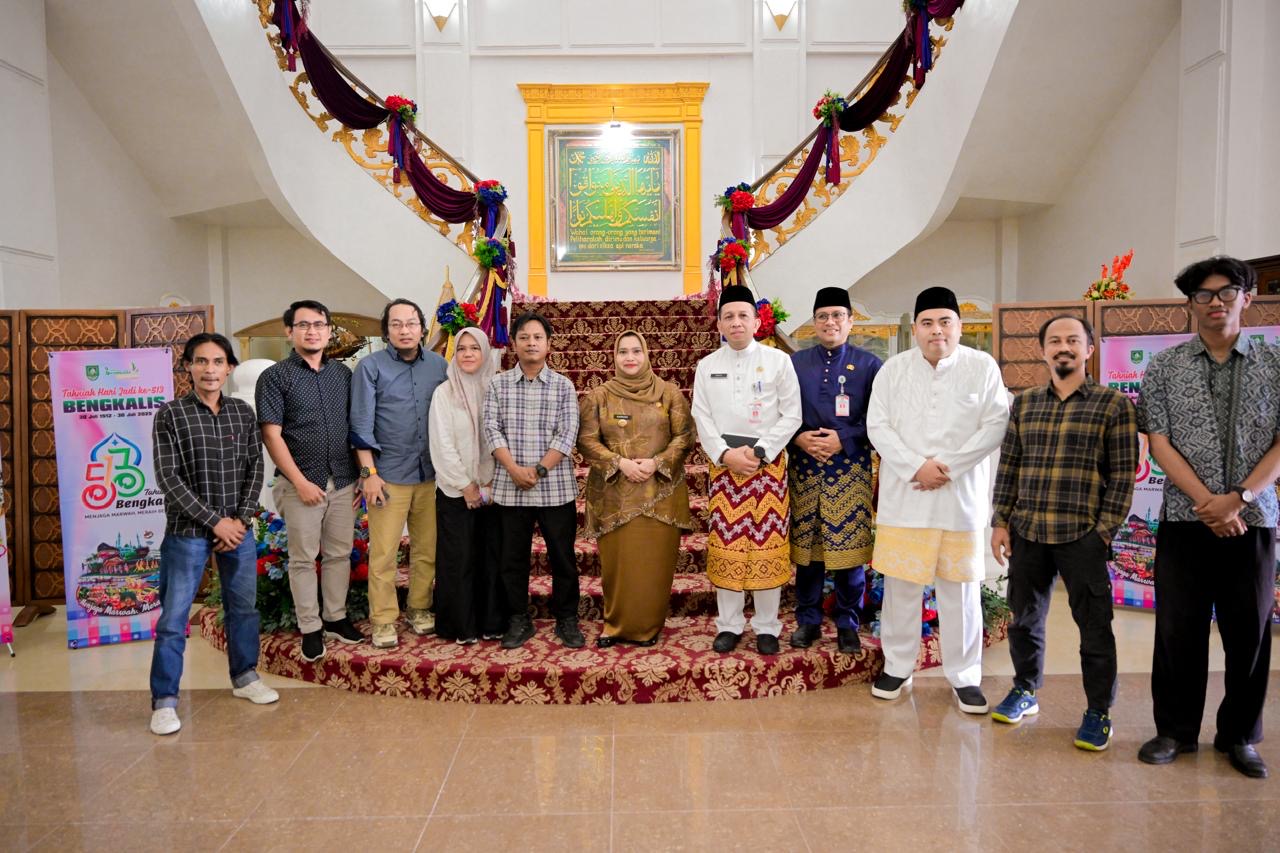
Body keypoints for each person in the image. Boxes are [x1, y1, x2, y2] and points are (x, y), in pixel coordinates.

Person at [1135, 256, 1280, 779]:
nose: (1215, 302)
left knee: (1250, 632)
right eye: (1203, 294)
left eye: (1226, 292)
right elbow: (1159, 441)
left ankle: (1239, 735)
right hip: (1184, 518)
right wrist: (1208, 503)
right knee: (1179, 629)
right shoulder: (1165, 367)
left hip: (1253, 519)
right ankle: (1174, 730)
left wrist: (1238, 498)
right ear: (1190, 304)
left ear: (1248, 298)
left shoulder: (1274, 363)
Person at [989, 314, 1138, 750]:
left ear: (1089, 349)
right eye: (1054, 341)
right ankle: (1024, 689)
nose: (1063, 347)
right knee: (1023, 621)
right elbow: (1010, 466)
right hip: (1029, 531)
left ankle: (1098, 711)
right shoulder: (1026, 403)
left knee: (1094, 628)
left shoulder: (1113, 405)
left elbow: (1123, 476)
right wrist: (1001, 520)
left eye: (1073, 339)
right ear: (1043, 351)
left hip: (1082, 535)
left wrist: (1103, 532)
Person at [867, 286, 1009, 713]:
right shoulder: (893, 370)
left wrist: (947, 467)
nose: (936, 331)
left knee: (959, 591)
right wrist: (916, 467)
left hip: (958, 499)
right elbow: (877, 425)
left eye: (945, 322)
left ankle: (965, 676)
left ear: (959, 326)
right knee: (901, 587)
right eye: (927, 323)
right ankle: (897, 666)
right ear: (914, 329)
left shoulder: (981, 367)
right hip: (906, 497)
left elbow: (995, 424)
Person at [149, 333, 278, 735]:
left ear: (229, 368)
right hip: (187, 532)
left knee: (244, 609)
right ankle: (164, 702)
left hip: (237, 529)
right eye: (201, 361)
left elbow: (256, 467)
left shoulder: (242, 412)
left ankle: (245, 677)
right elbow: (168, 479)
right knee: (174, 618)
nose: (210, 369)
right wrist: (215, 522)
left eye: (218, 362)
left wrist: (239, 520)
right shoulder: (170, 414)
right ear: (188, 366)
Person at [691, 284, 803, 656]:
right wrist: (725, 455)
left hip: (767, 468)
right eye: (729, 316)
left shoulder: (778, 362)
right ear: (719, 324)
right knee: (728, 548)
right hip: (725, 471)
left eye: (743, 315)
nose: (736, 322)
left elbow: (792, 414)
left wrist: (760, 452)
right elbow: (701, 416)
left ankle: (767, 626)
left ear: (756, 321)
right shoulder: (707, 366)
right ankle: (730, 624)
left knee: (766, 547)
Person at [256, 300, 364, 663]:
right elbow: (271, 435)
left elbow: (355, 428)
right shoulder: (276, 377)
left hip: (343, 480)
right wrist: (299, 481)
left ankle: (335, 618)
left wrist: (362, 475)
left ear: (329, 330)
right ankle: (310, 627)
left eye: (319, 324)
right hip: (300, 483)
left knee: (338, 554)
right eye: (303, 325)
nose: (312, 331)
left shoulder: (343, 375)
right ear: (289, 332)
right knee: (303, 559)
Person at [578, 330, 695, 647]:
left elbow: (684, 437)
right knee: (619, 566)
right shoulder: (599, 397)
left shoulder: (669, 393)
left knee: (653, 567)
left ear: (646, 355)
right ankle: (614, 625)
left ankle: (648, 626)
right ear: (614, 357)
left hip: (661, 494)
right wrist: (620, 463)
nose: (629, 357)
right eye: (623, 352)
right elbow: (586, 440)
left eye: (636, 351)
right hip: (615, 496)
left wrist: (657, 463)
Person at [350, 299, 448, 649]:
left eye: (411, 323)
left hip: (431, 474)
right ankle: (383, 619)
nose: (404, 330)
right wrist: (369, 473)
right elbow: (360, 424)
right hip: (387, 475)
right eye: (396, 324)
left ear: (422, 328)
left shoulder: (439, 365)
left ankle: (419, 608)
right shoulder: (370, 367)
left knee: (426, 550)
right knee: (384, 554)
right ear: (386, 330)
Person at [787, 287, 881, 654]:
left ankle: (847, 624)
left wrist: (845, 438)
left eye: (838, 315)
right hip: (806, 468)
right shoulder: (795, 364)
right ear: (814, 323)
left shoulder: (870, 365)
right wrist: (798, 438)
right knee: (808, 552)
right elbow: (781, 411)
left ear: (851, 321)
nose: (830, 322)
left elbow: (879, 419)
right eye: (823, 316)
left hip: (850, 469)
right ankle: (808, 621)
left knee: (850, 553)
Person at [483, 311, 583, 649]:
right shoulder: (497, 384)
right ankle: (518, 619)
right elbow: (491, 429)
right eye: (524, 337)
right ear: (514, 343)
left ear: (549, 344)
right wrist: (513, 469)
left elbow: (567, 434)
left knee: (562, 558)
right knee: (512, 560)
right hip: (510, 489)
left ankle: (567, 619)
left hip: (555, 489)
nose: (531, 343)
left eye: (538, 337)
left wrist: (538, 470)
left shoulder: (563, 386)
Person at [429, 326, 503, 644]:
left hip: (494, 489)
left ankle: (492, 622)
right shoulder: (444, 393)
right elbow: (442, 444)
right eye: (462, 349)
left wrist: (493, 482)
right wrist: (466, 485)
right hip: (455, 491)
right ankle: (461, 625)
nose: (468, 354)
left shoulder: (497, 389)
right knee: (458, 559)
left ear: (485, 352)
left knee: (490, 558)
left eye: (475, 348)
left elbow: (505, 437)